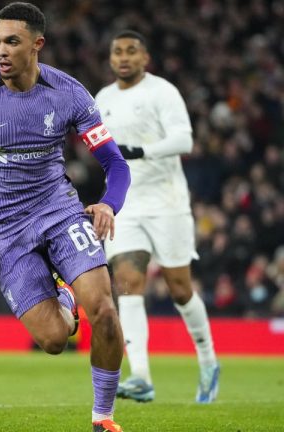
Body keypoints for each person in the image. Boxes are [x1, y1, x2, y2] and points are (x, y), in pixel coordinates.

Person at [0, 3, 131, 431]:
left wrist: (109, 203)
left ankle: (103, 418)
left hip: (60, 211)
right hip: (2, 230)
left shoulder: (69, 93)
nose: (1, 51)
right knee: (54, 340)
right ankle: (65, 297)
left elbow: (115, 163)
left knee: (105, 312)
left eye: (12, 42)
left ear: (37, 44)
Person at [95, 30, 220, 404]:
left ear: (145, 57)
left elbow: (184, 140)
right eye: (118, 51)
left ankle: (208, 361)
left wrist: (139, 150)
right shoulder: (102, 99)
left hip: (167, 202)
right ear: (110, 58)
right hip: (126, 203)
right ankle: (141, 377)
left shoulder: (163, 92)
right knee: (127, 283)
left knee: (180, 289)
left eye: (131, 51)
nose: (124, 57)